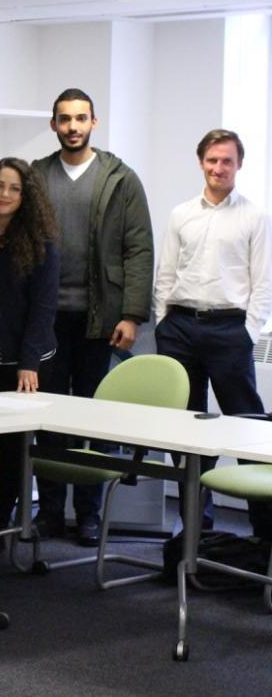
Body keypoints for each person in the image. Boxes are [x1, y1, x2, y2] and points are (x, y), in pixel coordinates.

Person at [31, 87, 153, 546]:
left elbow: (139, 248)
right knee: (49, 419)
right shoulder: (37, 176)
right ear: (53, 125)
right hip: (47, 323)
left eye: (81, 118)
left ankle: (87, 513)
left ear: (94, 123)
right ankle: (49, 511)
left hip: (101, 321)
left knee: (94, 421)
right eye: (64, 119)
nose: (73, 126)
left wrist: (133, 314)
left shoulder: (120, 178)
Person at [154, 129, 272, 538]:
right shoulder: (182, 213)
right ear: (200, 162)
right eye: (212, 160)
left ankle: (264, 531)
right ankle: (194, 529)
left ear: (239, 165)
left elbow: (263, 281)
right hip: (181, 328)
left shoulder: (254, 216)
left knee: (247, 425)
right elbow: (166, 273)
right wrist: (163, 320)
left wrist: (248, 331)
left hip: (229, 330)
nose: (218, 168)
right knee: (186, 432)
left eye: (227, 161)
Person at [0, 157, 60, 535]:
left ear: (27, 196)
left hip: (20, 361)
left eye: (14, 188)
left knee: (11, 450)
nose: (4, 194)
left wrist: (29, 362)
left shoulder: (41, 243)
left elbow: (44, 307)